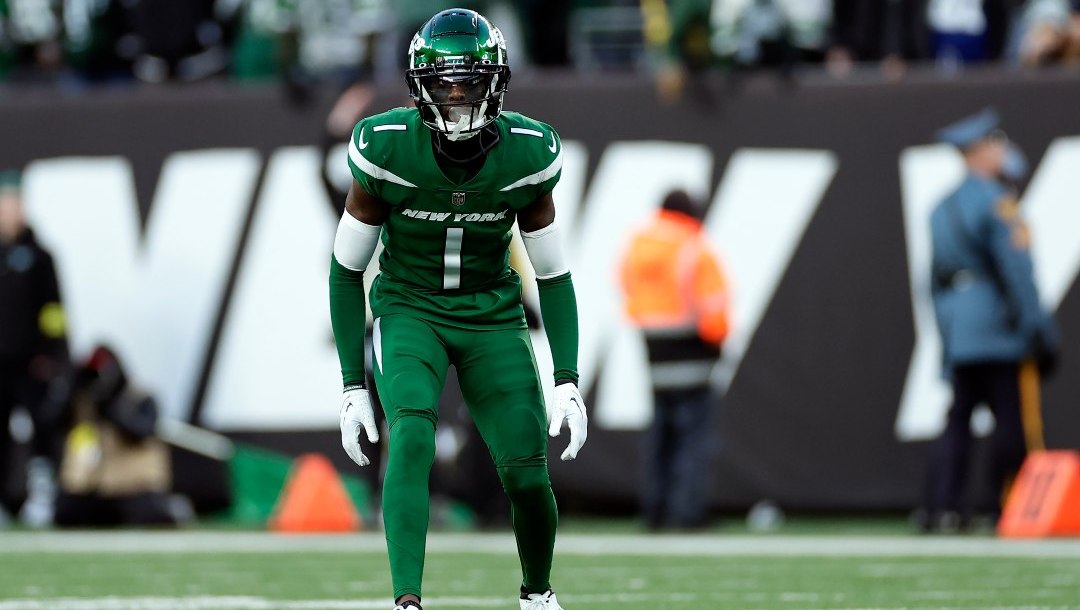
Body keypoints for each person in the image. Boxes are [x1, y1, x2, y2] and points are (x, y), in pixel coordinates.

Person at [329, 9, 586, 610]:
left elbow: (553, 274)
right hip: (409, 307)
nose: (457, 95)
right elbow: (345, 271)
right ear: (419, 86)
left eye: (470, 81)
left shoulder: (527, 153)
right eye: (443, 82)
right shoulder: (386, 147)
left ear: (496, 82)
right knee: (412, 436)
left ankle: (538, 594)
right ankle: (406, 601)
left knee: (526, 469)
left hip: (491, 313)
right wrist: (351, 385)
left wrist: (567, 377)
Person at [923, 108, 1060, 533]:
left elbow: (934, 283)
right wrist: (1038, 328)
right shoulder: (998, 204)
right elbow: (1017, 272)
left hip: (960, 329)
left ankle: (944, 507)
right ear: (979, 151)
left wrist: (948, 337)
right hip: (998, 326)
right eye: (995, 144)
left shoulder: (941, 207)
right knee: (1009, 418)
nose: (1003, 152)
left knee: (958, 421)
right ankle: (1009, 506)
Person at [619, 189, 730, 531]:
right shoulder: (693, 248)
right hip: (693, 357)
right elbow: (714, 311)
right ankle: (687, 512)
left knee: (660, 438)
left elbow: (626, 289)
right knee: (693, 440)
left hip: (654, 357)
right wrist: (717, 344)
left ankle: (654, 511)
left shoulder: (637, 246)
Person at [0, 169, 69, 527]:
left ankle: (43, 498)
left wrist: (53, 352)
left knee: (43, 428)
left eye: (15, 202)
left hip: (31, 362)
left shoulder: (40, 255)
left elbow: (54, 309)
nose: (10, 210)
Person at [52, 345, 182, 527]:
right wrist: (71, 386)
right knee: (65, 512)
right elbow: (51, 424)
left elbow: (143, 432)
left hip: (135, 487)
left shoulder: (141, 397)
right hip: (92, 489)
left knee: (154, 516)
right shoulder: (84, 402)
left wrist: (111, 408)